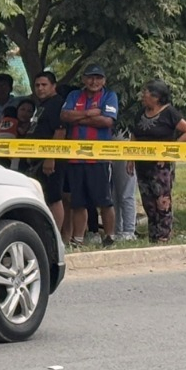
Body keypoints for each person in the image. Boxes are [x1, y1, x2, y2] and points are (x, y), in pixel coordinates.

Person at [60, 64, 120, 248]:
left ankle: (110, 237)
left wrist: (78, 117)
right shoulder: (74, 95)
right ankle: (78, 239)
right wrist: (88, 113)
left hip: (100, 157)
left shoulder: (110, 96)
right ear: (84, 79)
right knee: (78, 201)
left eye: (98, 78)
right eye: (90, 77)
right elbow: (64, 116)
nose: (94, 82)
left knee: (104, 201)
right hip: (76, 157)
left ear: (104, 80)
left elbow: (107, 121)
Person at [131, 79, 186, 244]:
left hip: (161, 166)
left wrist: (169, 152)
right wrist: (130, 158)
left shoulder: (169, 113)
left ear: (156, 96)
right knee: (148, 203)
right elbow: (135, 136)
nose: (143, 96)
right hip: (142, 164)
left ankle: (163, 237)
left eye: (146, 92)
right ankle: (153, 238)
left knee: (162, 201)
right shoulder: (141, 112)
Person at [23, 72, 67, 229]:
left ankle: (55, 236)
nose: (40, 88)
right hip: (36, 159)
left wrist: (50, 158)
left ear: (53, 86)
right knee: (43, 197)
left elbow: (60, 131)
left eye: (44, 85)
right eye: (37, 85)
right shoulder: (42, 105)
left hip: (49, 159)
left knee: (54, 198)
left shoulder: (57, 103)